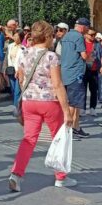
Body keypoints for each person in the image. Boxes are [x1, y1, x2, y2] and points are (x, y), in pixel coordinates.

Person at [9, 21, 75, 192]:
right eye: (52, 35)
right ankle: (60, 177)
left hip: (29, 102)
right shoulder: (51, 57)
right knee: (57, 138)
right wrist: (67, 111)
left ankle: (16, 174)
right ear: (47, 37)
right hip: (49, 102)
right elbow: (58, 84)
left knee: (29, 139)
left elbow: (20, 78)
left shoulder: (24, 54)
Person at [61, 18, 89, 139]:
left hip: (65, 72)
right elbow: (83, 55)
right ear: (82, 27)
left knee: (75, 102)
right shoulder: (79, 37)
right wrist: (90, 57)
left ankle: (76, 127)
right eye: (87, 28)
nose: (87, 30)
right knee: (73, 103)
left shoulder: (66, 36)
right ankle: (69, 129)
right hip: (75, 74)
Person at [6, 30, 27, 109]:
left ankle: (16, 108)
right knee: (13, 89)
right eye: (14, 36)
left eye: (16, 36)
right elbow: (7, 58)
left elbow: (23, 61)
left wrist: (19, 70)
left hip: (19, 70)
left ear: (20, 37)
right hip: (11, 70)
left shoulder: (23, 48)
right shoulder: (10, 46)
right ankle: (18, 105)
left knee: (17, 90)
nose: (14, 37)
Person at [82, 27, 100, 116]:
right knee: (83, 90)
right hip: (83, 70)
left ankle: (93, 108)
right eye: (91, 34)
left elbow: (101, 55)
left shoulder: (97, 44)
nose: (93, 36)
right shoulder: (82, 43)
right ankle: (83, 109)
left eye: (94, 34)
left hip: (94, 69)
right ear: (86, 34)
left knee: (94, 90)